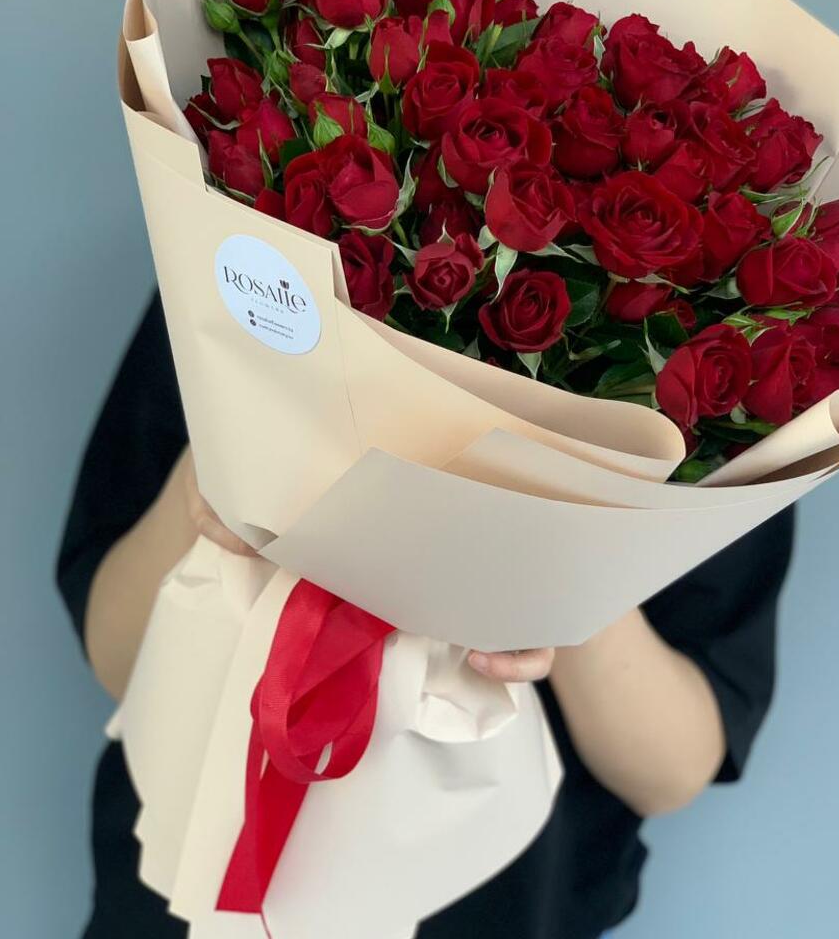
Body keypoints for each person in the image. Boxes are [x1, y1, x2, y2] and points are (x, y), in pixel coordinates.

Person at [58, 295, 795, 939]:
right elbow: (119, 659)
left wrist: (565, 555)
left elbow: (670, 772)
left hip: (516, 902)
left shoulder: (717, 351)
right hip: (180, 889)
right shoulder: (246, 253)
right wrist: (223, 464)